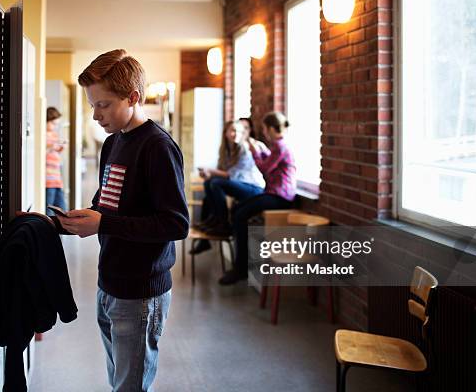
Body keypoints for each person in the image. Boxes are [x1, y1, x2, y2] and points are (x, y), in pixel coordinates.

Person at [53, 49, 189, 391]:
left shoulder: (157, 147)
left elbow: (176, 224)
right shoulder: (112, 144)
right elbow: (106, 207)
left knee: (130, 386)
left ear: (134, 97)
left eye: (104, 105)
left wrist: (103, 224)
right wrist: (62, 222)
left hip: (141, 292)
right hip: (109, 282)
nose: (96, 115)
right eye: (92, 105)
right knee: (120, 381)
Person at [219, 111, 297, 285]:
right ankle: (240, 264)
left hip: (280, 197)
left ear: (270, 128)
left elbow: (265, 168)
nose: (262, 132)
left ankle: (241, 268)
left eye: (263, 128)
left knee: (240, 214)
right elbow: (269, 164)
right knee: (238, 211)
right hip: (274, 194)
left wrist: (255, 152)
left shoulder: (280, 146)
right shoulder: (279, 146)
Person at [190, 120, 265, 254]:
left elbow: (231, 175)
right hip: (241, 185)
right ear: (225, 133)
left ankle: (222, 223)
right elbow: (224, 173)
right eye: (232, 130)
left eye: (239, 131)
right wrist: (208, 174)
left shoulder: (245, 149)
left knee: (215, 182)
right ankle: (214, 221)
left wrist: (210, 171)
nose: (235, 134)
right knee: (209, 183)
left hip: (254, 188)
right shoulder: (227, 150)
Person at [46, 107, 67, 215]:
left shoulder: (54, 135)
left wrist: (60, 147)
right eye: (53, 123)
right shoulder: (42, 135)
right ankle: (48, 230)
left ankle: (61, 230)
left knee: (62, 208)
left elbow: (56, 151)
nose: (54, 127)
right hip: (48, 179)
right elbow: (42, 152)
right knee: (49, 209)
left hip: (57, 178)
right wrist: (51, 147)